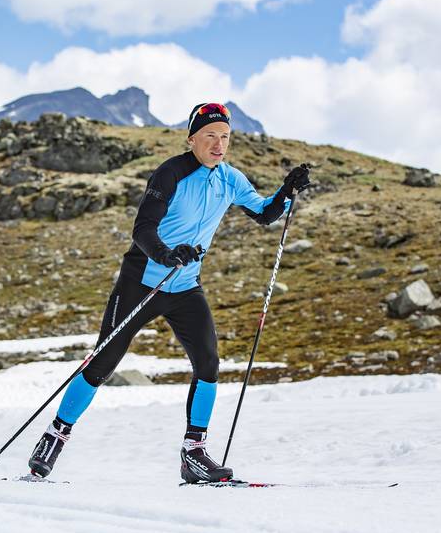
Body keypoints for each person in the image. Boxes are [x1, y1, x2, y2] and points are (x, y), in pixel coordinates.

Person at [26, 102, 311, 483]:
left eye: (224, 137)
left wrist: (287, 191)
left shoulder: (230, 179)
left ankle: (194, 454)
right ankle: (55, 436)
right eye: (210, 136)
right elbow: (143, 229)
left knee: (209, 364)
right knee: (102, 364)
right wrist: (166, 253)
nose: (218, 144)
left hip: (185, 287)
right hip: (142, 281)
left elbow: (263, 213)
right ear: (191, 138)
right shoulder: (171, 173)